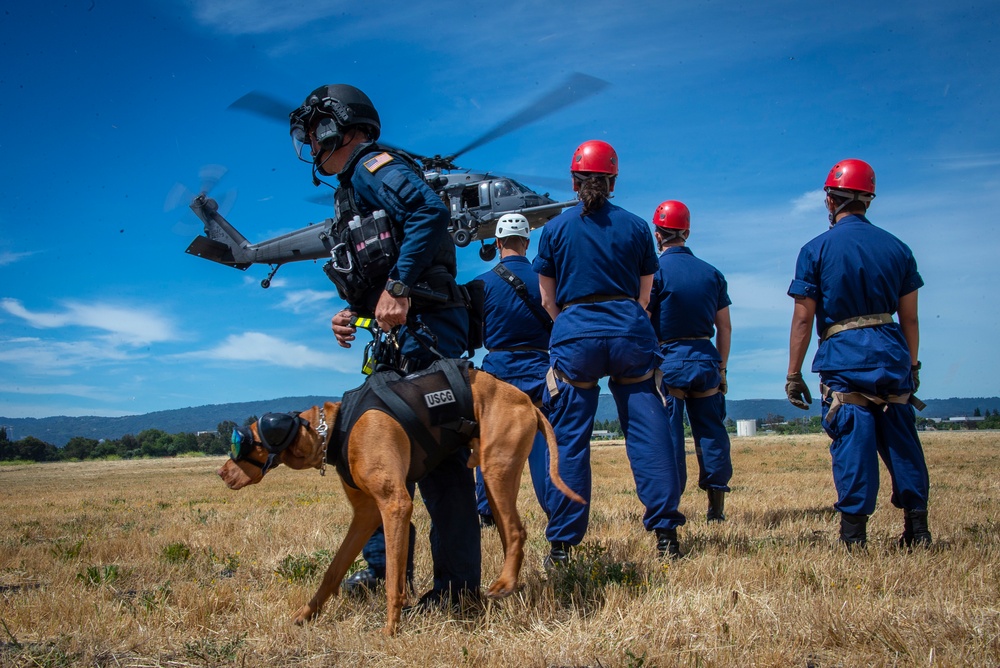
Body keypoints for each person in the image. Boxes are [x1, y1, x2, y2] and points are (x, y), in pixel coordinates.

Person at [289, 84, 481, 606]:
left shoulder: (378, 168)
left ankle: (457, 591)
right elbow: (377, 262)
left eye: (315, 132)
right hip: (402, 335)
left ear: (339, 128)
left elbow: (428, 211)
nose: (311, 143)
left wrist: (397, 289)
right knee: (378, 452)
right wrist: (355, 313)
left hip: (428, 330)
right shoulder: (352, 188)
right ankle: (384, 574)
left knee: (438, 458)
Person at [532, 140, 685, 563]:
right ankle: (666, 534)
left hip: (575, 332)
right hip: (628, 330)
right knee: (648, 429)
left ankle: (562, 544)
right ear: (613, 181)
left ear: (574, 181)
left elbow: (548, 300)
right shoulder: (637, 227)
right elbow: (645, 296)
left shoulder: (555, 229)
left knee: (568, 438)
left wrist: (575, 325)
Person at [785, 158, 930, 550]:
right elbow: (911, 318)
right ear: (868, 200)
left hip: (846, 357)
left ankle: (854, 538)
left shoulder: (815, 249)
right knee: (902, 441)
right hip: (892, 353)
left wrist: (793, 373)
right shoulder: (899, 248)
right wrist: (912, 365)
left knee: (853, 442)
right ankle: (918, 530)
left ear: (831, 200)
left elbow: (803, 320)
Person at [649, 200, 733, 522]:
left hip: (669, 362)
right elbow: (723, 326)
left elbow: (644, 319)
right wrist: (722, 368)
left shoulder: (655, 273)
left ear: (658, 235)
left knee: (670, 437)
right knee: (712, 433)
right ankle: (716, 509)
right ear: (686, 232)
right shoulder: (712, 273)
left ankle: (671, 507)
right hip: (706, 359)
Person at [472, 213, 552, 526]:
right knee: (545, 449)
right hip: (539, 369)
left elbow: (475, 334)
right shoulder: (545, 279)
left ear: (498, 242)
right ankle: (554, 512)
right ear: (527, 242)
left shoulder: (483, 284)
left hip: (498, 373)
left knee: (490, 446)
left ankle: (487, 513)